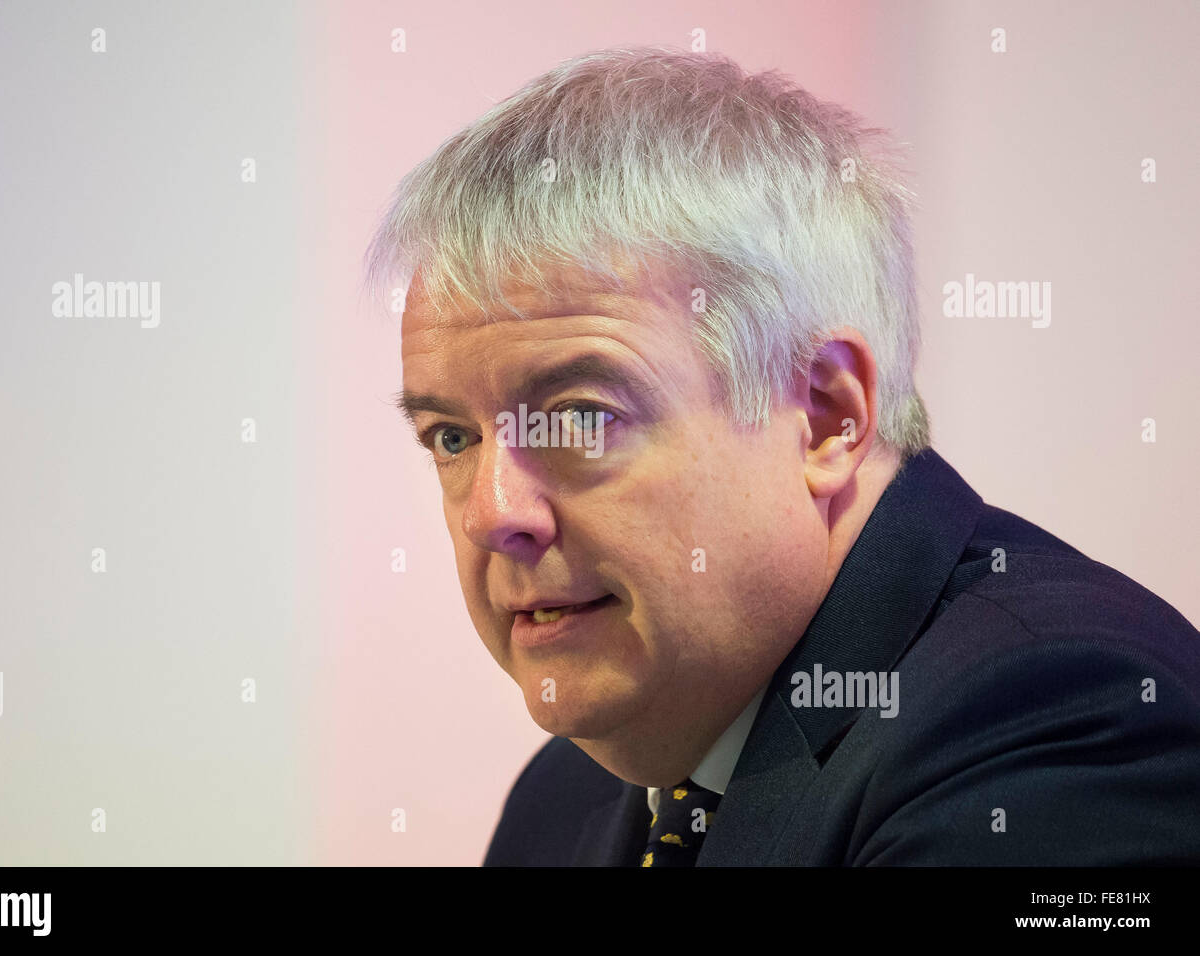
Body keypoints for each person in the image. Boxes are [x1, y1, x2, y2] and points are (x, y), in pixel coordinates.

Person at [364, 46, 1200, 865]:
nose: (493, 512)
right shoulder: (567, 796)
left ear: (828, 417)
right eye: (452, 437)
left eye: (580, 419)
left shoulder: (1049, 722)